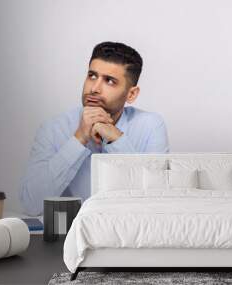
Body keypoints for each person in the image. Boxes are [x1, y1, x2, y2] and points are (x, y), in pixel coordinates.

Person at [20, 41, 169, 216]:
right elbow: (31, 204)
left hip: (129, 234)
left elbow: (157, 201)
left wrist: (116, 139)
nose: (94, 89)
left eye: (109, 81)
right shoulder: (53, 129)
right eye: (92, 76)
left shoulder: (151, 125)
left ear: (131, 94)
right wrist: (78, 139)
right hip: (71, 237)